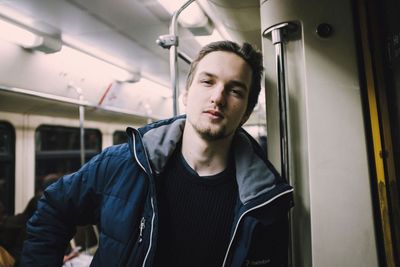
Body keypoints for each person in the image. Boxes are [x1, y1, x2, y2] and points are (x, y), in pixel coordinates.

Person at [21, 41, 294, 266]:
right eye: (207, 82)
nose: (218, 97)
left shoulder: (264, 204)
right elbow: (52, 210)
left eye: (235, 90)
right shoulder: (122, 164)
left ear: (246, 112)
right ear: (186, 94)